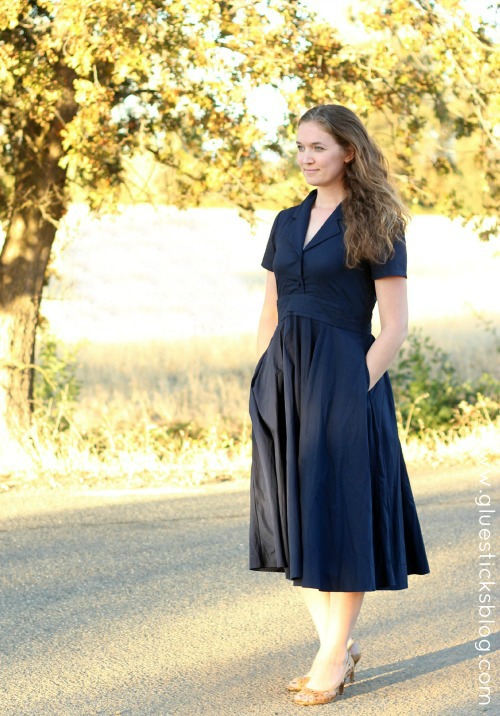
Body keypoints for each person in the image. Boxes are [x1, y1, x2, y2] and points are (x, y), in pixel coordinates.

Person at [248, 104, 430, 707]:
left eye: (318, 147)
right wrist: (261, 380)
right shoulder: (283, 221)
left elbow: (395, 326)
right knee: (293, 512)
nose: (305, 157)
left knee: (341, 516)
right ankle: (337, 644)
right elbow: (271, 311)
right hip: (284, 380)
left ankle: (331, 655)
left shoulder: (377, 221)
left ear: (348, 151)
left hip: (348, 383)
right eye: (300, 147)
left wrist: (356, 390)